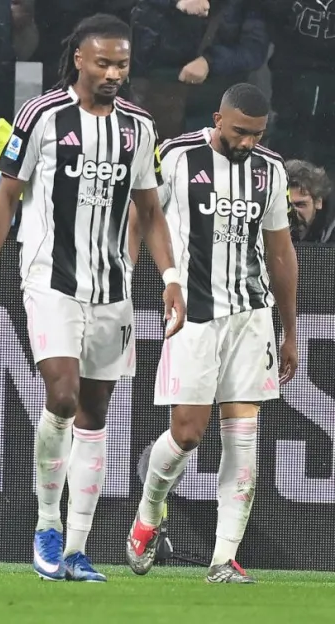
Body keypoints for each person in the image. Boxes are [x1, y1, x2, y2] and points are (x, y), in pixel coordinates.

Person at [0, 13, 186, 582]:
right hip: (50, 279)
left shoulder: (138, 126)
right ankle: (47, 525)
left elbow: (150, 210)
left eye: (122, 65)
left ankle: (77, 548)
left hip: (112, 287)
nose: (113, 73)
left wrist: (170, 276)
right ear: (79, 59)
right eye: (103, 62)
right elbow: (6, 197)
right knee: (61, 398)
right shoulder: (41, 115)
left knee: (94, 414)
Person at [126, 83, 299, 584]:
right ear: (218, 118)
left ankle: (224, 559)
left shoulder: (270, 170)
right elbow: (142, 217)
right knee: (187, 434)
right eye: (240, 131)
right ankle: (149, 512)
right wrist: (128, 282)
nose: (247, 142)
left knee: (243, 436)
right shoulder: (177, 156)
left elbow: (281, 252)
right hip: (193, 314)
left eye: (257, 134)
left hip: (251, 315)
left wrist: (289, 329)